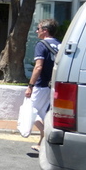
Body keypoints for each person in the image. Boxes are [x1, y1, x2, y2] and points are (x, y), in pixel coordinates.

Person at [26, 18, 60, 152]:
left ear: (45, 31)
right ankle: (41, 144)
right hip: (54, 85)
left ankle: (46, 135)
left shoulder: (41, 44)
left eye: (38, 29)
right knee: (46, 114)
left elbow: (38, 67)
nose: (36, 31)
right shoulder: (60, 44)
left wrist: (30, 85)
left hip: (41, 86)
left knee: (30, 112)